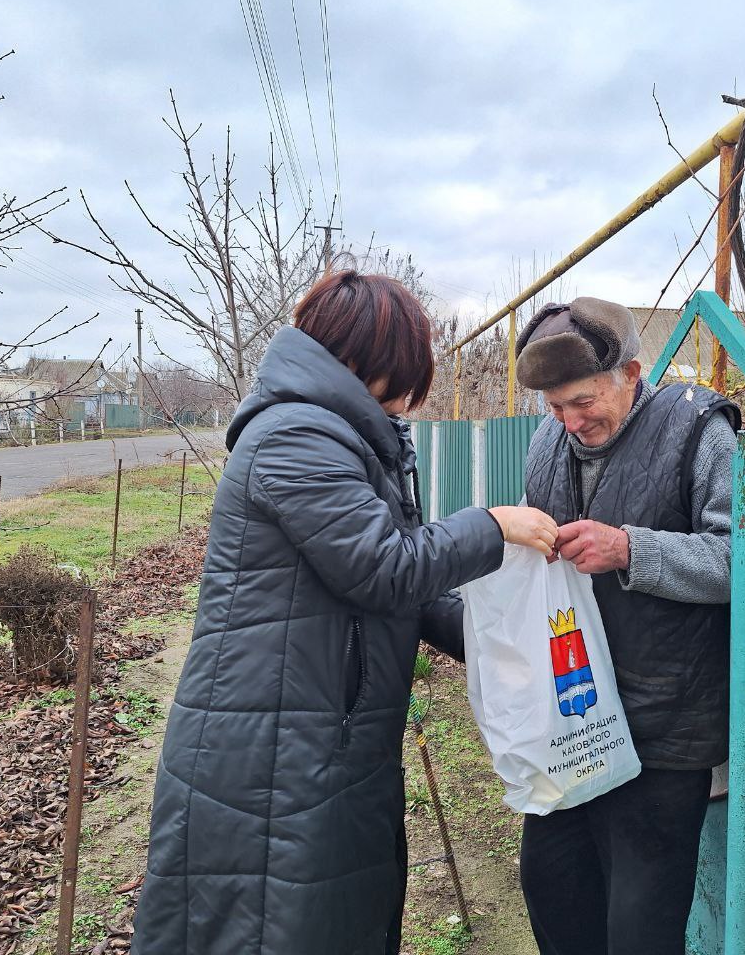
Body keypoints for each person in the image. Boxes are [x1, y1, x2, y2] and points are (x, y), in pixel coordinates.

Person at [130, 270, 558, 955]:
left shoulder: (344, 434)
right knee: (273, 928)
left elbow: (402, 591)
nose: (410, 393)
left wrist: (512, 644)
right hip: (272, 753)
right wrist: (493, 526)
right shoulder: (295, 436)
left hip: (318, 735)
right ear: (367, 356)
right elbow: (384, 566)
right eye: (408, 367)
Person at [514, 297, 740, 955]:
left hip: (663, 730)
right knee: (552, 889)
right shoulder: (546, 443)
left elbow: (743, 562)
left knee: (640, 925)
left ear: (633, 373)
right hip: (573, 717)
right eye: (554, 407)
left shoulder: (700, 432)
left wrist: (632, 551)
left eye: (582, 401)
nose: (569, 421)